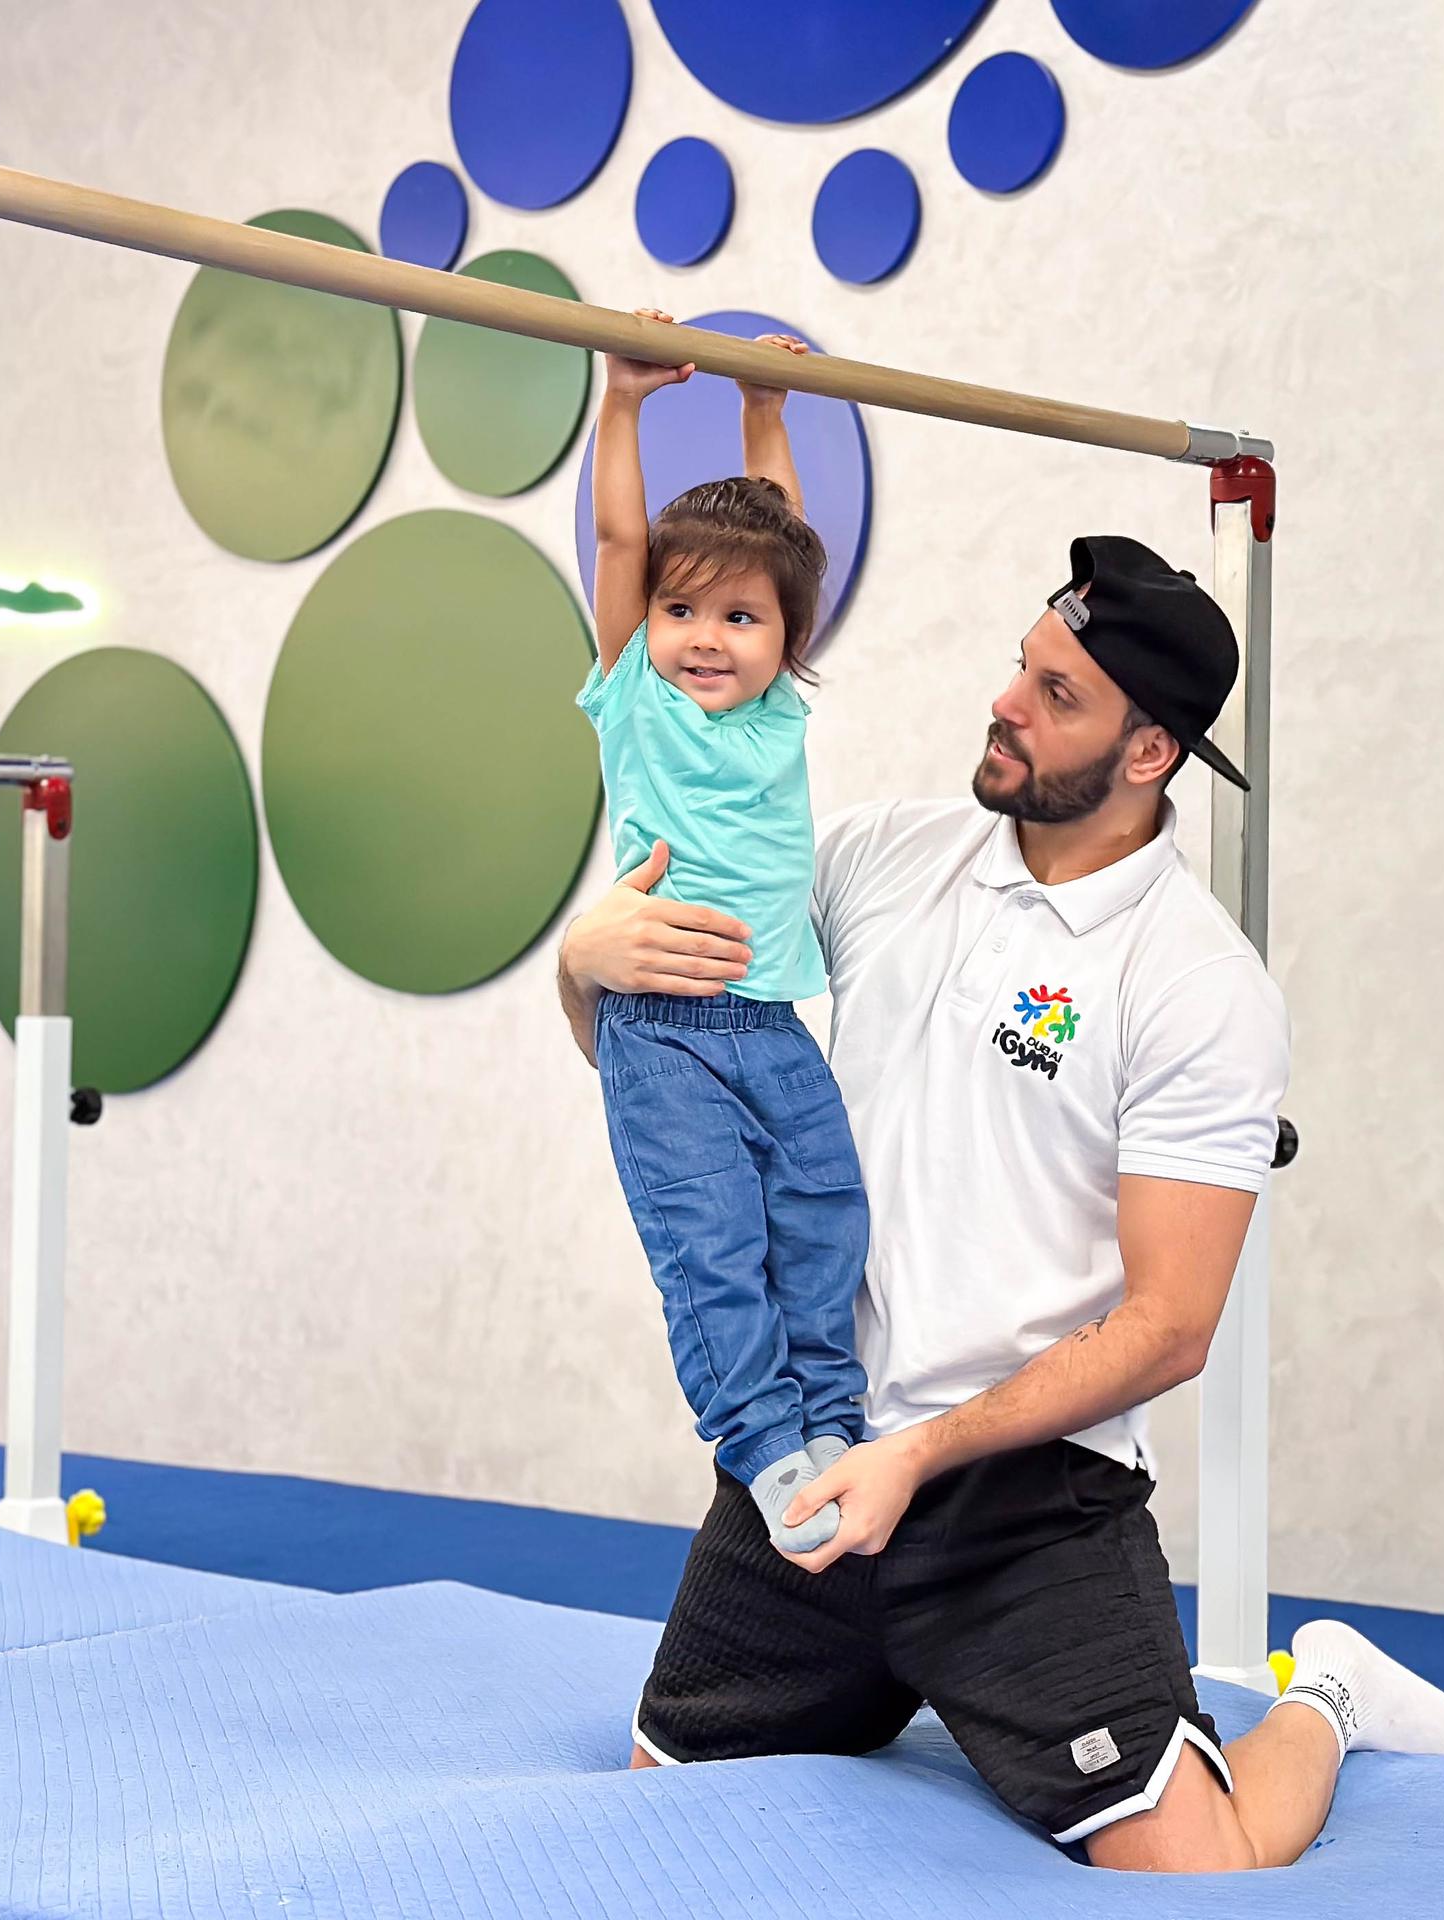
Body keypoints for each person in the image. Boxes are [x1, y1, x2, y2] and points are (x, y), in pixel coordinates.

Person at [559, 535, 1444, 1871]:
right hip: (821, 1463)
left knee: (1201, 1867)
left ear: (1149, 751)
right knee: (656, 1818)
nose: (1005, 703)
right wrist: (585, 965)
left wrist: (922, 1455)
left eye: (1058, 695)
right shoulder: (876, 857)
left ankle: (1331, 1695)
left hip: (1024, 1505)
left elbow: (1171, 1327)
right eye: (1022, 666)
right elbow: (677, 1074)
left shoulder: (1198, 987)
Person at [578, 311, 870, 1555]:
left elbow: (785, 537)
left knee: (825, 1215)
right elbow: (618, 538)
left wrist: (766, 411)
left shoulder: (776, 712)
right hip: (663, 1032)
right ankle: (762, 1443)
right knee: (711, 1244)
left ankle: (834, 1424)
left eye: (741, 618)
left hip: (774, 1022)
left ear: (788, 637)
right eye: (681, 608)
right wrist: (623, 402)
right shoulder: (634, 693)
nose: (706, 635)